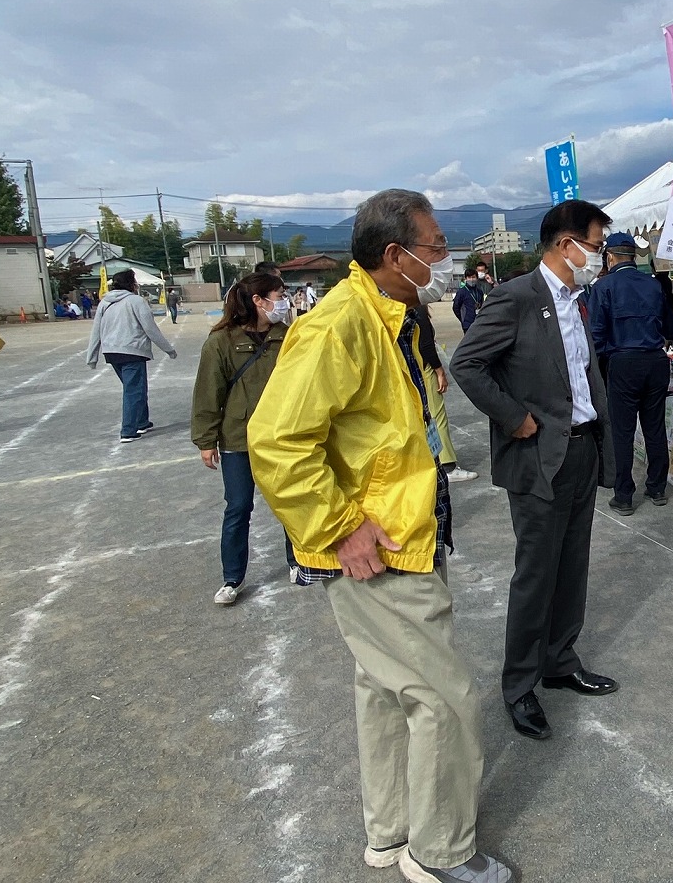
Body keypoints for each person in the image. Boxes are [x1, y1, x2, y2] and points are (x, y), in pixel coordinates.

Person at [247, 189, 510, 883]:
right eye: (435, 246)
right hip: (380, 544)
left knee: (387, 689)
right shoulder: (340, 324)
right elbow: (275, 441)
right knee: (444, 697)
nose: (444, 258)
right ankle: (440, 852)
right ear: (395, 255)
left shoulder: (390, 313)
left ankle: (392, 833)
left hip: (402, 529)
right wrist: (340, 528)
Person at [450, 199, 618, 742]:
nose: (600, 256)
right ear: (566, 245)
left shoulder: (576, 300)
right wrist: (513, 417)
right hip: (540, 455)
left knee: (572, 566)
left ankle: (560, 660)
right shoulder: (517, 297)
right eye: (595, 246)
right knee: (536, 573)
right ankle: (519, 685)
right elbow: (467, 364)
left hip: (582, 448)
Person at [191, 272, 297, 605]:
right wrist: (205, 440)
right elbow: (208, 392)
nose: (284, 301)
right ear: (258, 300)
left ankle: (298, 560)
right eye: (279, 295)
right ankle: (232, 578)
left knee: (291, 501)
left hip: (281, 435)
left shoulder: (288, 336)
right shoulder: (221, 341)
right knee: (238, 507)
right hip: (238, 438)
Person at [587, 232, 673, 516]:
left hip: (623, 363)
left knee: (622, 431)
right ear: (633, 256)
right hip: (655, 361)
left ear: (610, 257)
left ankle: (624, 495)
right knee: (654, 427)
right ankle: (657, 488)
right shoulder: (653, 285)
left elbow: (596, 335)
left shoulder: (603, 287)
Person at [85, 269, 177, 442]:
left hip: (111, 352)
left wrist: (92, 356)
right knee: (133, 391)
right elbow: (150, 328)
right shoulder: (136, 301)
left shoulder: (105, 302)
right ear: (132, 284)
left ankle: (142, 421)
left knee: (135, 388)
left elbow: (96, 329)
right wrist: (168, 349)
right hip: (132, 351)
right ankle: (128, 430)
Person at [416, 302, 478, 483]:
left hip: (412, 369)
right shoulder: (417, 309)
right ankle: (447, 465)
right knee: (437, 416)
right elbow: (426, 344)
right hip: (425, 368)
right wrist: (439, 370)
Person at [452, 267, 484, 333]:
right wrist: (463, 319)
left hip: (479, 323)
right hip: (467, 324)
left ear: (477, 278)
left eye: (473, 277)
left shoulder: (479, 291)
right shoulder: (461, 292)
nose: (471, 279)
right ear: (466, 279)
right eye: (469, 277)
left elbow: (482, 305)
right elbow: (456, 307)